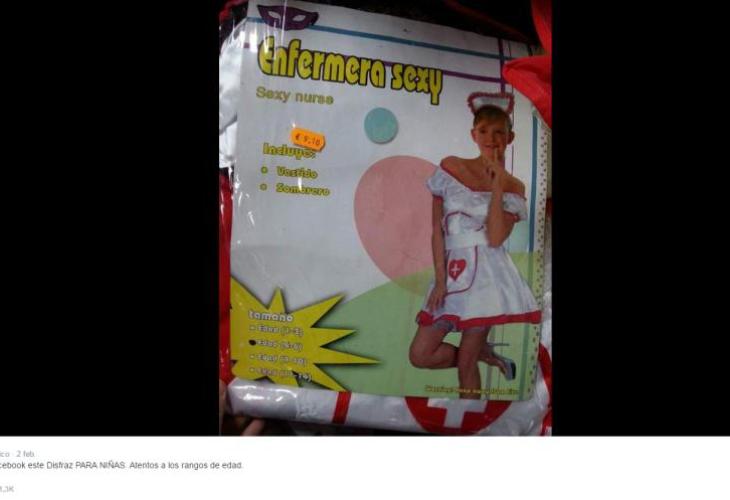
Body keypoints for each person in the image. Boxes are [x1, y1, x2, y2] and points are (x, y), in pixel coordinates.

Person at [408, 92, 541, 400]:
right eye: (484, 131)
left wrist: (497, 186)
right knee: (420, 355)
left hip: (487, 280)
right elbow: (437, 230)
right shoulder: (450, 168)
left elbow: (495, 237)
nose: (491, 139)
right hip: (451, 273)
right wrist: (440, 280)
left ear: (510, 137)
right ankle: (486, 354)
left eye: (499, 132)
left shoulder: (514, 187)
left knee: (465, 367)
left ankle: (470, 417)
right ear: (473, 134)